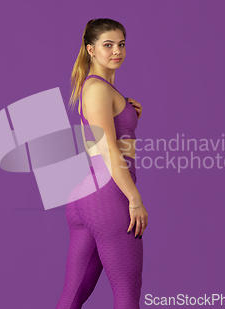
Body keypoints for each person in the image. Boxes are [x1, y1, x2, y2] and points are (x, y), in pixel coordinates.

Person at [56, 18, 148, 309]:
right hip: (108, 196)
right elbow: (108, 149)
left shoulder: (101, 89)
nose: (116, 51)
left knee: (72, 296)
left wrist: (130, 118)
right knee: (126, 294)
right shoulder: (97, 89)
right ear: (90, 50)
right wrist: (134, 198)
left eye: (120, 44)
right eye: (107, 45)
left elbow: (114, 140)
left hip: (85, 197)